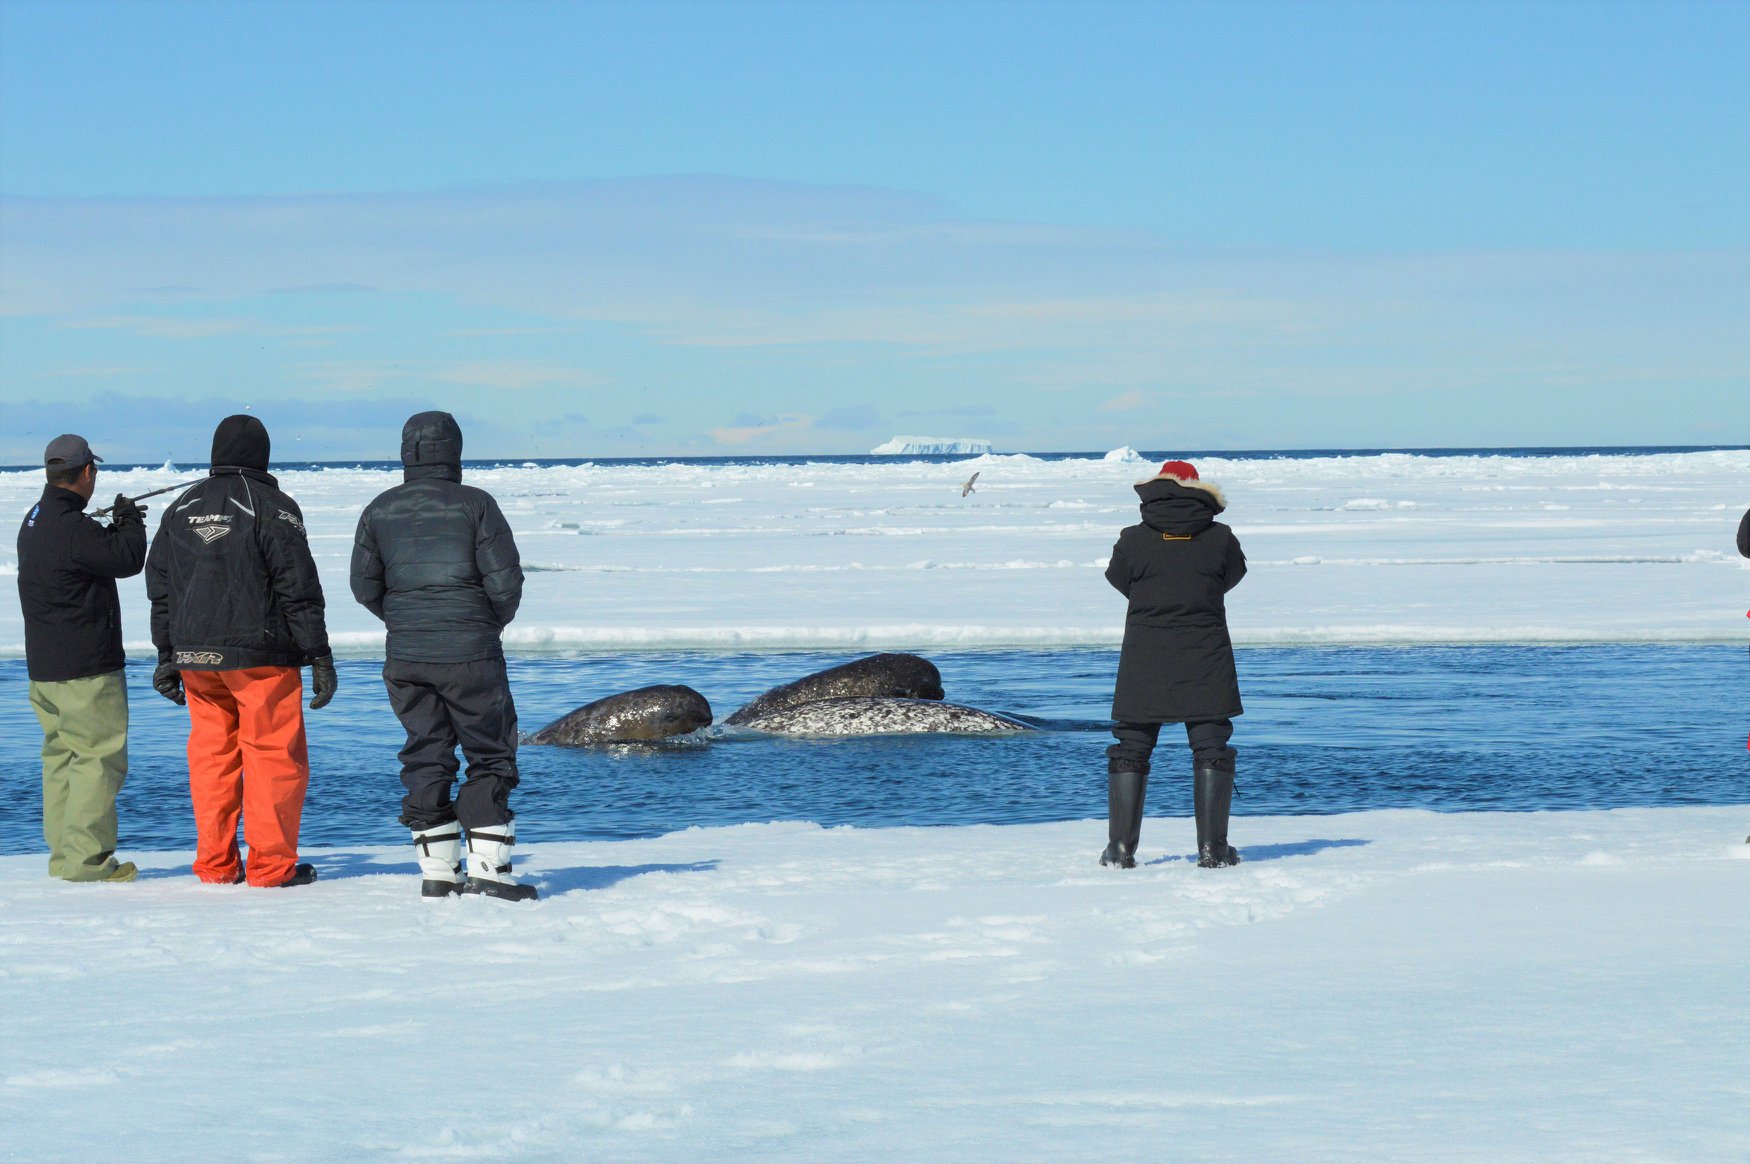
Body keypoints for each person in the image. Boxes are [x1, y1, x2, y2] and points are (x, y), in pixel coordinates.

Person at [145, 415, 336, 888]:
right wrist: (319, 654)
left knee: (213, 759)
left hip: (197, 660)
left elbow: (160, 590)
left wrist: (167, 655)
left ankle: (216, 865)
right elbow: (299, 588)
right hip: (260, 659)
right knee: (273, 757)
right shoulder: (273, 506)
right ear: (261, 456)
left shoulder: (180, 507)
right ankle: (270, 869)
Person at [349, 411, 532, 901]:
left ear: (407, 451)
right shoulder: (477, 505)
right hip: (470, 651)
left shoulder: (379, 508)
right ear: (455, 450)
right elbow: (505, 583)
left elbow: (363, 587)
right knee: (489, 753)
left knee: (425, 753)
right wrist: (486, 622)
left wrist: (405, 619)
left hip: (407, 655)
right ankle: (491, 873)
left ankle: (438, 873)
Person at [1102, 460, 1247, 869]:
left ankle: (1119, 851)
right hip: (1206, 650)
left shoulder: (1132, 538)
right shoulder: (1220, 537)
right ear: (1197, 488)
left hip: (1145, 652)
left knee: (1131, 743)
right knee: (1211, 743)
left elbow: (1119, 579)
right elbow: (1232, 576)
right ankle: (1213, 851)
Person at [16, 434, 147, 882]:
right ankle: (88, 863)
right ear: (87, 472)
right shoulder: (72, 528)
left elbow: (88, 554)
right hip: (85, 669)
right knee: (97, 759)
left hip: (46, 669)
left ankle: (66, 858)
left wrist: (112, 526)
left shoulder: (36, 519)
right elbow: (127, 559)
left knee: (61, 759)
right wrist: (129, 521)